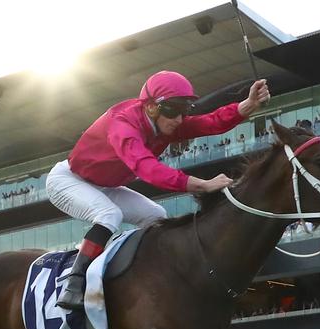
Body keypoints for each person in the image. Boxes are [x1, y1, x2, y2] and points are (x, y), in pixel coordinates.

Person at [46, 70, 270, 309]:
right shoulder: (123, 124)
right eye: (174, 110)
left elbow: (209, 122)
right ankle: (74, 284)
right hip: (68, 180)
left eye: (185, 110)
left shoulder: (165, 121)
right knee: (110, 215)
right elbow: (147, 169)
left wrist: (248, 105)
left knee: (157, 217)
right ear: (151, 107)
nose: (180, 119)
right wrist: (202, 184)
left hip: (104, 185)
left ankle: (148, 277)